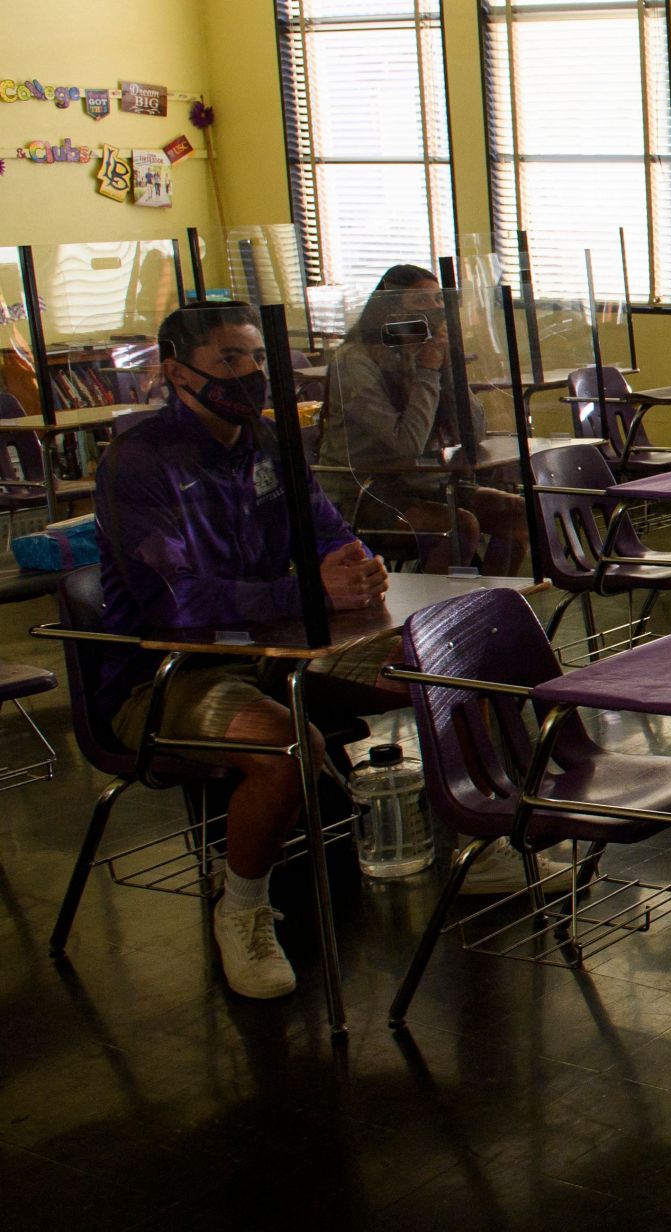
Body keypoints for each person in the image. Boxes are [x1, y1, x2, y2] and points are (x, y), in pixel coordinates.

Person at [97, 305, 398, 1000]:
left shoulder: (265, 442)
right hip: (166, 675)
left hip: (276, 653)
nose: (252, 375)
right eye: (230, 360)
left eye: (258, 358)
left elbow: (326, 530)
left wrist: (357, 565)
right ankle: (242, 911)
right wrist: (304, 592)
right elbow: (176, 603)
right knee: (283, 743)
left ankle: (493, 834)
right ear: (177, 372)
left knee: (431, 671)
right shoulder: (138, 465)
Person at [317, 265, 526, 575]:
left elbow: (475, 432)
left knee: (518, 513)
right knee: (460, 528)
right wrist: (429, 371)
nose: (434, 310)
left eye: (438, 301)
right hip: (367, 492)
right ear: (390, 308)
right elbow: (407, 443)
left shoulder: (425, 352)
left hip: (425, 485)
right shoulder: (354, 360)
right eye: (420, 302)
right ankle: (433, 619)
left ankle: (489, 604)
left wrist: (449, 368)